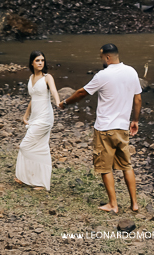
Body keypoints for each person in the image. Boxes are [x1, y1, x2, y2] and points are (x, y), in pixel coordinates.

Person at [60, 42, 141, 213]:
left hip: (104, 128)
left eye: (101, 57)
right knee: (127, 165)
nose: (101, 60)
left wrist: (65, 103)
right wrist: (135, 120)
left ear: (108, 57)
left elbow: (82, 93)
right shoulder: (131, 72)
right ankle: (134, 204)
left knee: (105, 167)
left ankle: (113, 204)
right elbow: (138, 99)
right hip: (122, 128)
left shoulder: (103, 75)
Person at [15, 50, 61, 191]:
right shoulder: (31, 77)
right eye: (37, 60)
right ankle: (28, 178)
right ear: (32, 63)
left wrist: (58, 102)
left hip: (45, 117)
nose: (40, 63)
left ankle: (41, 181)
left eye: (42, 60)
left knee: (25, 145)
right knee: (39, 146)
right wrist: (25, 115)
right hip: (35, 116)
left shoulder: (47, 77)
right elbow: (32, 99)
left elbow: (53, 91)